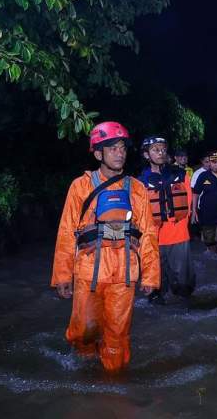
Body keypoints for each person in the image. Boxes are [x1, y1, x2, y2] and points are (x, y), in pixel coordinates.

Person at [50, 121, 159, 372]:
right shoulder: (80, 186)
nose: (119, 153)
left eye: (122, 148)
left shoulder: (137, 189)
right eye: (112, 148)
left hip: (125, 274)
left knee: (117, 336)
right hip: (89, 271)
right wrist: (62, 275)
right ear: (98, 153)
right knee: (83, 331)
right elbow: (67, 231)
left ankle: (113, 387)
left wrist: (151, 275)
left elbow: (148, 234)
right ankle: (85, 365)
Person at [138, 136, 195, 304]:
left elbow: (189, 203)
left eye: (163, 149)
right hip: (153, 239)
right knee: (155, 290)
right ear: (146, 155)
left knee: (184, 288)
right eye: (156, 150)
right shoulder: (140, 182)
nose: (161, 152)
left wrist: (183, 224)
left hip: (178, 235)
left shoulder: (181, 175)